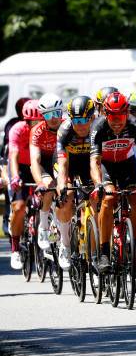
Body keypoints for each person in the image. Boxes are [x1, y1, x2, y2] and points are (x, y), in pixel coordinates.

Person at [90, 91, 136, 274]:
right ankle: (103, 253)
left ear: (127, 113)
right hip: (107, 167)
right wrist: (98, 185)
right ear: (105, 114)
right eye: (112, 116)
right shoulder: (98, 127)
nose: (117, 121)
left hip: (128, 165)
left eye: (120, 116)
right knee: (108, 200)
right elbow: (94, 162)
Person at [55, 96, 96, 269]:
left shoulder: (99, 128)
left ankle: (95, 252)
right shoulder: (65, 130)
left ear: (92, 117)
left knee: (96, 199)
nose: (79, 125)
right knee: (67, 197)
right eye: (75, 120)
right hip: (69, 163)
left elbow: (100, 162)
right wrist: (62, 185)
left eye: (83, 120)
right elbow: (62, 165)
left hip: (90, 163)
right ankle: (64, 244)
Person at [7, 100, 42, 269]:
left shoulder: (46, 129)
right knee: (19, 206)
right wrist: (14, 177)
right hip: (20, 167)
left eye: (40, 121)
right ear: (26, 120)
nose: (37, 125)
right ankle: (15, 248)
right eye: (33, 122)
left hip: (37, 165)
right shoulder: (18, 129)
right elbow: (13, 155)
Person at [31, 93, 64, 250]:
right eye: (49, 114)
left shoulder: (67, 126)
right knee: (50, 187)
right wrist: (40, 183)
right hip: (43, 163)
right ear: (43, 116)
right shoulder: (37, 131)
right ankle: (43, 227)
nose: (53, 118)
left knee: (66, 191)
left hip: (61, 161)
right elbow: (35, 161)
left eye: (56, 113)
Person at [1, 97, 30, 235]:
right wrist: (7, 175)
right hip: (14, 160)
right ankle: (9, 218)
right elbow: (9, 153)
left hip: (32, 163)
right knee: (15, 194)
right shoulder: (13, 125)